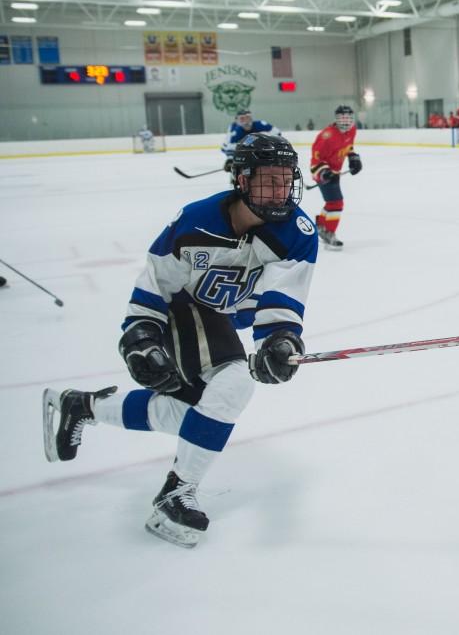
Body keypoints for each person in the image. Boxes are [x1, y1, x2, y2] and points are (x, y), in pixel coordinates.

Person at [41, 133, 317, 548]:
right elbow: (157, 282)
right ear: (242, 181)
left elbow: (283, 295)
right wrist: (141, 334)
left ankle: (81, 406)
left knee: (187, 412)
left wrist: (279, 340)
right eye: (268, 180)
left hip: (219, 318)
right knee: (234, 382)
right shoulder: (195, 220)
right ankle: (175, 494)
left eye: (285, 179)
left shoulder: (297, 231)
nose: (280, 191)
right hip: (180, 309)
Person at [311, 104, 362, 250]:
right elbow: (315, 160)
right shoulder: (327, 136)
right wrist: (324, 173)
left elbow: (349, 146)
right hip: (323, 173)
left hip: (335, 172)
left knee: (331, 203)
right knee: (337, 203)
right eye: (342, 117)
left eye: (348, 117)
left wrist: (353, 157)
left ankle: (320, 225)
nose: (346, 121)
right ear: (336, 119)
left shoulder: (352, 130)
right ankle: (329, 233)